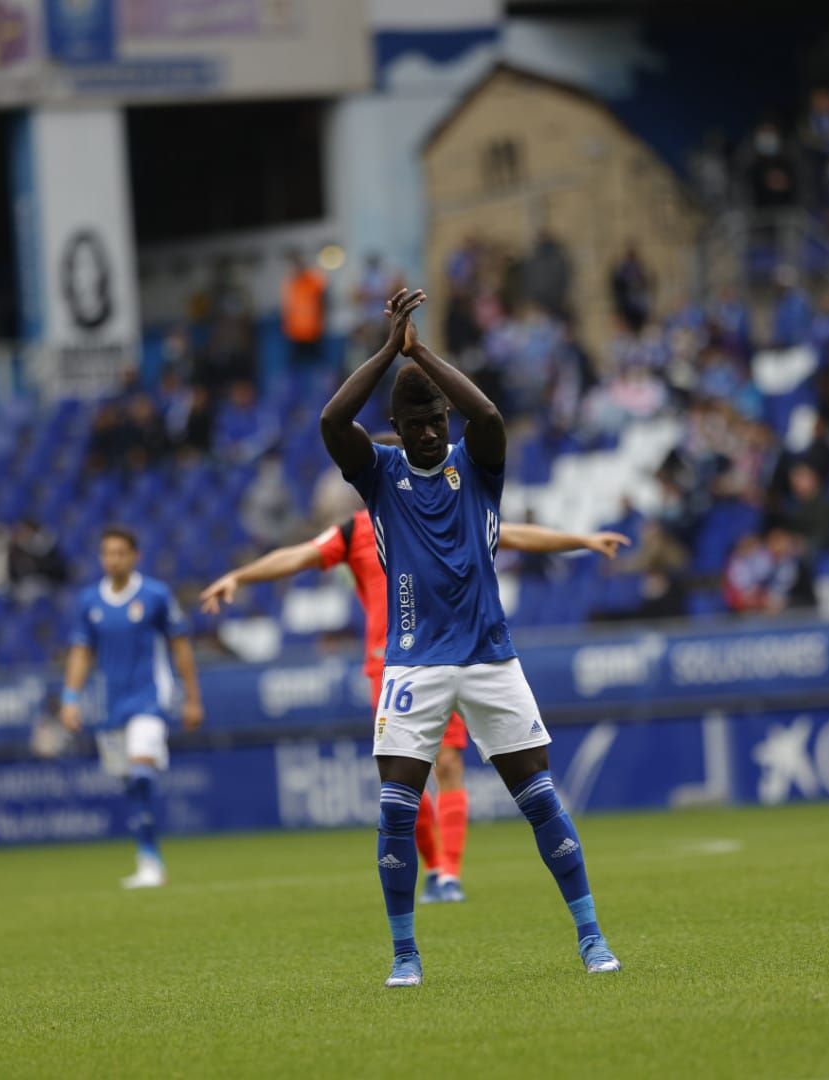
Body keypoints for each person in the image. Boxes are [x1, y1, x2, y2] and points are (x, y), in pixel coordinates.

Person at [318, 287, 621, 987]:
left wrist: (422, 351)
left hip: (491, 658)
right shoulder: (380, 475)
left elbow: (486, 413)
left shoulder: (478, 466)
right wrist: (386, 352)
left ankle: (592, 936)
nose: (426, 431)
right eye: (413, 422)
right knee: (396, 814)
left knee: (541, 799)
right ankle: (404, 954)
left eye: (433, 420)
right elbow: (334, 418)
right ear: (393, 425)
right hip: (414, 667)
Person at [199, 497, 629, 905]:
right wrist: (241, 576)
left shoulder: (446, 514)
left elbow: (510, 534)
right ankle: (435, 865)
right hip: (390, 667)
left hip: (452, 656)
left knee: (449, 763)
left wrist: (582, 540)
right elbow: (296, 556)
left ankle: (450, 874)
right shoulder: (355, 531)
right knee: (406, 777)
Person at [60, 526, 205, 889]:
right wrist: (69, 698)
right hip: (111, 706)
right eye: (107, 553)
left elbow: (181, 646)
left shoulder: (155, 595)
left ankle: (151, 864)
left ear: (135, 556)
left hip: (150, 699)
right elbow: (82, 652)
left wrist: (192, 698)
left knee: (141, 773)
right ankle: (149, 859)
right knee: (130, 785)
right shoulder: (89, 601)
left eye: (121, 552)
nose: (114, 559)